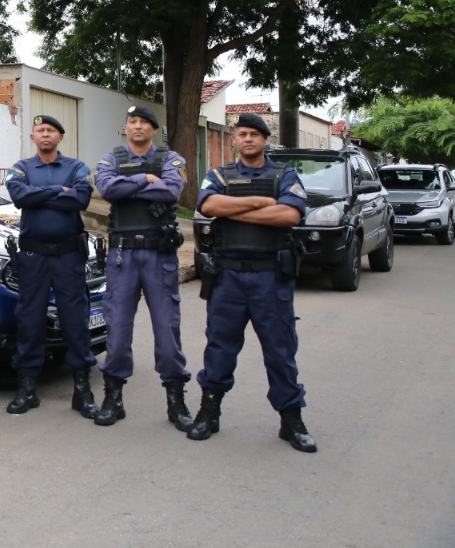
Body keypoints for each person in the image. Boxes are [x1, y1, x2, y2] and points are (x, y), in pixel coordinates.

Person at [189, 112, 316, 452]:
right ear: (233, 138)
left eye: (254, 134)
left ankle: (291, 420)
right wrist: (260, 202)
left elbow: (289, 214)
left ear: (264, 140)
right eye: (242, 133)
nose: (248, 139)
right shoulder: (218, 174)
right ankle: (209, 412)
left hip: (269, 277)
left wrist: (233, 209)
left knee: (280, 351)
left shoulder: (284, 174)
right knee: (219, 349)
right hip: (228, 277)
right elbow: (208, 204)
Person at [92, 105, 192, 429]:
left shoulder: (171, 159)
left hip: (158, 255)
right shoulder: (111, 158)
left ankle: (175, 401)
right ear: (126, 127)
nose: (137, 126)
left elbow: (172, 190)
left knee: (167, 330)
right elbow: (107, 189)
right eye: (132, 121)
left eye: (143, 122)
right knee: (118, 330)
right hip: (122, 255)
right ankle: (113, 399)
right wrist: (144, 179)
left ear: (153, 128)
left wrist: (128, 184)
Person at [4, 114, 99, 418]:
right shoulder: (21, 168)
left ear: (60, 137)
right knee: (29, 321)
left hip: (68, 257)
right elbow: (19, 196)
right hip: (33, 258)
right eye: (40, 130)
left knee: (75, 320)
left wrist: (40, 196)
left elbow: (81, 199)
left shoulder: (77, 167)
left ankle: (82, 390)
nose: (45, 134)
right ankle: (27, 388)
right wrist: (61, 191)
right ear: (33, 137)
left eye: (51, 131)